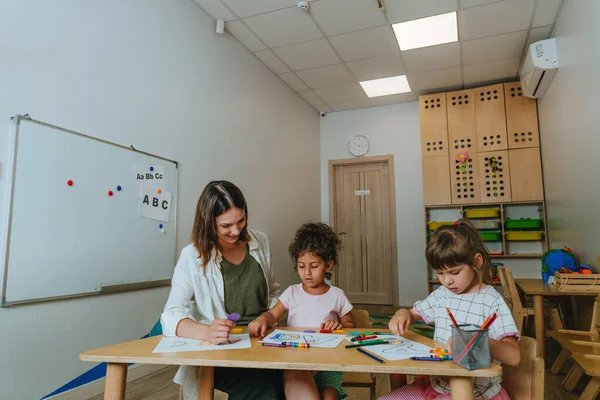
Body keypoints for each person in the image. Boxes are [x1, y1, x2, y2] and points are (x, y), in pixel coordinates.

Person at [161, 180, 283, 400]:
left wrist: (268, 316)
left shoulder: (260, 241)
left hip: (264, 343)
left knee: (295, 377)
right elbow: (170, 316)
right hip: (222, 350)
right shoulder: (192, 256)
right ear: (209, 222)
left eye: (241, 220)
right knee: (264, 384)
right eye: (226, 225)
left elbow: (273, 293)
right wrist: (207, 332)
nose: (236, 230)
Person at [380, 219, 521, 400]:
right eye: (440, 273)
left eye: (454, 272)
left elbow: (514, 357)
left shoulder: (490, 300)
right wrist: (403, 313)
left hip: (476, 392)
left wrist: (475, 341)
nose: (447, 281)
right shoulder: (442, 295)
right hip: (436, 385)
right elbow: (414, 313)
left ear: (477, 262)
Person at [249, 222, 356, 400]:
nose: (306, 272)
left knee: (329, 397)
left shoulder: (337, 295)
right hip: (298, 362)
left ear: (328, 266)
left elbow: (351, 325)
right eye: (301, 266)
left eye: (314, 266)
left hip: (328, 363)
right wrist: (262, 319)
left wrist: (338, 326)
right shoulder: (292, 293)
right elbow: (272, 314)